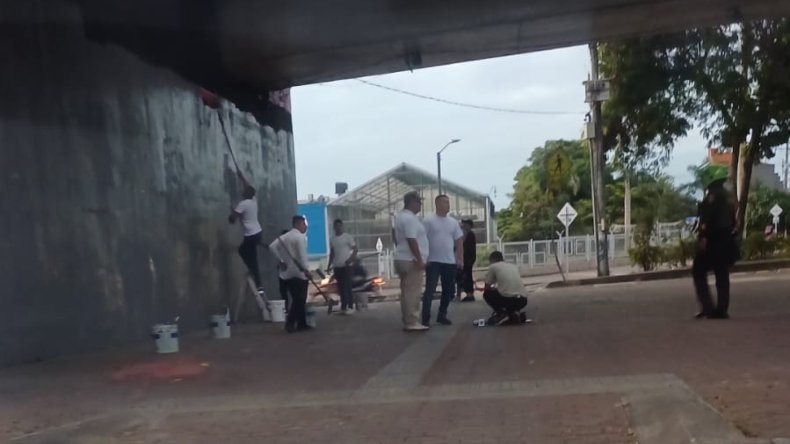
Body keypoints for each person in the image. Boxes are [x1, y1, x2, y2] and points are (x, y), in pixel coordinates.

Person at [692, 175, 737, 320]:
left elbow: (706, 219)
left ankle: (707, 307)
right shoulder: (729, 196)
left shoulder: (712, 196)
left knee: (698, 271)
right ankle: (722, 309)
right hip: (726, 237)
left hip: (713, 238)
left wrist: (702, 237)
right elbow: (734, 220)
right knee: (722, 273)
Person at [422, 195, 464, 326]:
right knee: (430, 290)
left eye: (448, 202)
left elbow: (459, 241)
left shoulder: (453, 222)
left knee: (448, 290)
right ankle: (425, 318)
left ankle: (442, 315)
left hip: (449, 261)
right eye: (445, 202)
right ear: (437, 204)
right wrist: (424, 257)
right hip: (433, 261)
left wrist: (460, 258)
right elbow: (421, 240)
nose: (448, 205)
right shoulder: (428, 220)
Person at [393, 191, 430, 331]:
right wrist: (419, 259)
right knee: (412, 292)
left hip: (403, 257)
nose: (420, 205)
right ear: (412, 203)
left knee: (407, 290)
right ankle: (411, 320)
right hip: (411, 260)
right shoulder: (410, 219)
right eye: (419, 202)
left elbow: (394, 234)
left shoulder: (401, 217)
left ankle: (409, 319)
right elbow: (411, 239)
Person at [269, 216, 312, 332]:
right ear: (297, 224)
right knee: (299, 299)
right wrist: (307, 270)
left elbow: (272, 246)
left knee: (298, 300)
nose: (305, 226)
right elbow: (302, 256)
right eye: (303, 224)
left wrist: (281, 260)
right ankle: (290, 323)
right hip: (300, 273)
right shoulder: (300, 237)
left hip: (287, 273)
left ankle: (301, 324)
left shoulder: (284, 237)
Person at [228, 181, 263, 292]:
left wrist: (232, 214)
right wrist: (241, 176)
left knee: (242, 251)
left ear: (246, 194)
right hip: (258, 233)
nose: (242, 192)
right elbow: (247, 185)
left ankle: (253, 273)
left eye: (243, 191)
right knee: (252, 256)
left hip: (251, 235)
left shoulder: (243, 204)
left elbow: (233, 219)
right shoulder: (254, 201)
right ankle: (259, 283)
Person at [483, 251, 528, 326]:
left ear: (492, 260)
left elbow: (487, 287)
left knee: (487, 294)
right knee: (508, 293)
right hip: (523, 300)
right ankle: (514, 314)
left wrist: (492, 288)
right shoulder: (513, 266)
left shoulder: (493, 266)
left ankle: (502, 314)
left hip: (509, 300)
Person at [328, 219, 358, 315]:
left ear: (342, 226)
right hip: (337, 266)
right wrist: (329, 265)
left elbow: (355, 249)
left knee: (347, 286)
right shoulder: (332, 239)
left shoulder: (347, 237)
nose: (338, 228)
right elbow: (332, 253)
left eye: (340, 226)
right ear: (334, 227)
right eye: (336, 226)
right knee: (340, 287)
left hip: (346, 266)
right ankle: (343, 306)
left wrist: (350, 259)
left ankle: (350, 306)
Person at [457, 219, 477, 302]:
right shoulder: (467, 234)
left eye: (465, 224)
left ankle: (470, 294)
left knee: (467, 276)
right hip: (466, 258)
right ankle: (466, 292)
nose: (463, 226)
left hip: (468, 258)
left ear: (469, 226)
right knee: (464, 276)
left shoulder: (470, 235)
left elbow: (467, 247)